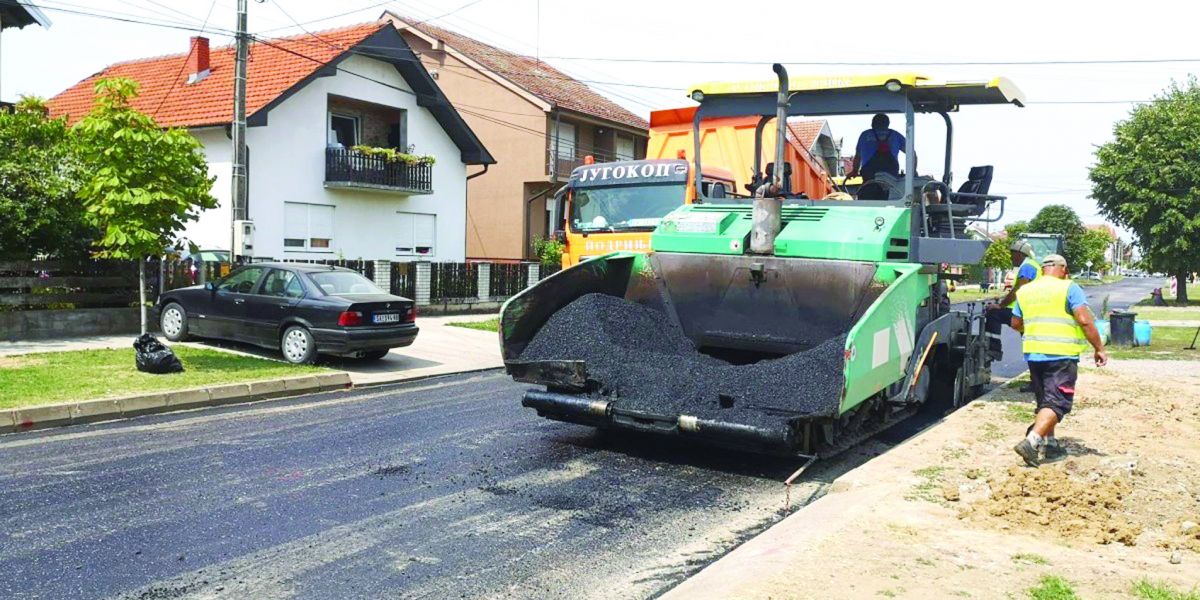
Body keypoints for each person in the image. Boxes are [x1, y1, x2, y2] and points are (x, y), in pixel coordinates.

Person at [1010, 254, 1108, 466]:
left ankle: (1051, 444)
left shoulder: (1025, 291)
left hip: (1034, 353)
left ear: (1044, 269)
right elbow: (1084, 320)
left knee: (1045, 400)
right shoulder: (1068, 287)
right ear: (1063, 269)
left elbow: (1016, 323)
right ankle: (1032, 441)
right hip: (1061, 354)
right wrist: (1099, 348)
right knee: (1057, 402)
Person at [983, 240, 1041, 357]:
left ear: (1019, 254)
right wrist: (1003, 298)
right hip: (1030, 311)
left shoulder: (1027, 267)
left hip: (1023, 312)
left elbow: (1019, 290)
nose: (1011, 257)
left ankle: (994, 349)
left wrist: (1000, 305)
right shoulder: (1033, 265)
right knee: (1030, 345)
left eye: (1012, 254)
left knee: (993, 313)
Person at [848, 114, 911, 180]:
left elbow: (858, 156)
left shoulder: (864, 135)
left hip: (869, 175)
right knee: (892, 189)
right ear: (888, 124)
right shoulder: (895, 135)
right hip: (891, 176)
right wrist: (913, 171)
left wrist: (855, 171)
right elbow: (912, 154)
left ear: (872, 124)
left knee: (868, 188)